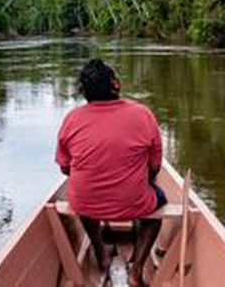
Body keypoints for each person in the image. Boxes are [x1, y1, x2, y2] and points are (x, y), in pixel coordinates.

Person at [55, 59, 165, 286]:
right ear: (116, 84)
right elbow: (154, 167)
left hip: (86, 202)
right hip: (134, 202)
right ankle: (136, 273)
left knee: (82, 195)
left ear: (84, 92)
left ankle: (101, 254)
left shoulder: (71, 120)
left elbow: (65, 168)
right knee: (157, 209)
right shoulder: (143, 114)